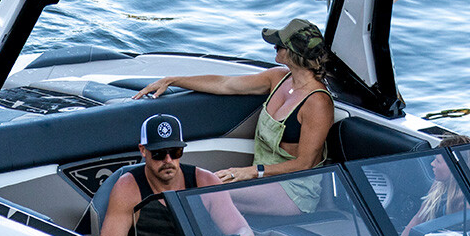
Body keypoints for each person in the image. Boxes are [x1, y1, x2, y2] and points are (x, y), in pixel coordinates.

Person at [133, 18, 334, 216]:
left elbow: (305, 164)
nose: (275, 47)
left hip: (294, 189)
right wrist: (173, 80)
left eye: (279, 45)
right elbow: (225, 84)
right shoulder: (278, 77)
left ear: (293, 53)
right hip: (262, 177)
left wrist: (251, 171)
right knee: (194, 185)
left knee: (205, 192)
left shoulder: (317, 102)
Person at [100, 113, 253, 236]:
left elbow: (244, 231)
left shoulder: (206, 181)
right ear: (143, 150)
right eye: (159, 153)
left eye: (175, 152)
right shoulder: (128, 188)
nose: (168, 160)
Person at [403, 134, 470, 236]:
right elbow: (419, 218)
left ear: (455, 166)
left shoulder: (467, 202)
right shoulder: (438, 185)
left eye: (437, 161)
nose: (432, 164)